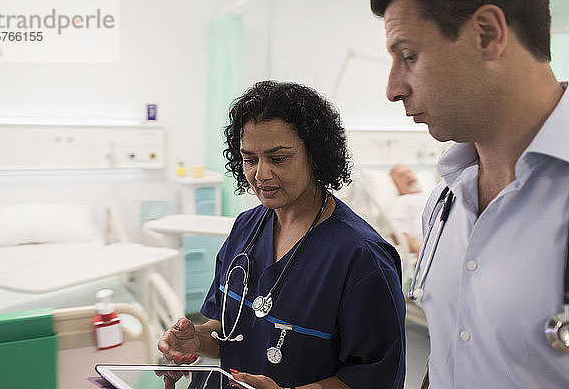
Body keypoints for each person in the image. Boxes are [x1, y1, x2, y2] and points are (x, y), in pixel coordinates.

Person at [370, 0, 569, 388]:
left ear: (486, 33)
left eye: (408, 56)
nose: (392, 89)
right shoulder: (444, 204)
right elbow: (448, 356)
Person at [158, 81, 406, 389]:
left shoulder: (362, 257)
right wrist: (196, 339)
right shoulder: (245, 230)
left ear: (315, 156)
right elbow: (224, 331)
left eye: (278, 158)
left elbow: (376, 377)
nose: (261, 174)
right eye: (250, 159)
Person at [388, 164, 428, 255]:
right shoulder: (401, 202)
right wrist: (418, 249)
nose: (408, 176)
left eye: (409, 172)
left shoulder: (432, 194)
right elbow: (399, 233)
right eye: (401, 175)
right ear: (395, 184)